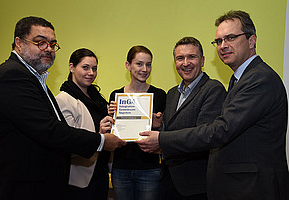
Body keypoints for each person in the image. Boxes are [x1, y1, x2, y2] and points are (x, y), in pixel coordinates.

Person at [136, 10, 289, 200]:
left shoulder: (259, 79)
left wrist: (162, 140)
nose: (223, 46)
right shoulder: (240, 79)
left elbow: (221, 130)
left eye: (231, 38)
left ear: (251, 41)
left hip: (253, 187)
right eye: (219, 41)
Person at [0, 16, 125, 200]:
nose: (49, 49)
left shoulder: (34, 78)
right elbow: (50, 130)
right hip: (21, 186)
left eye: (53, 44)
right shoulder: (12, 75)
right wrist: (101, 141)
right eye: (40, 42)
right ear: (18, 43)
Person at [156, 37, 226, 200]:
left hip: (195, 185)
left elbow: (204, 136)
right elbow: (173, 129)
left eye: (192, 57)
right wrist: (160, 126)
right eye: (180, 58)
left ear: (202, 61)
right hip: (168, 180)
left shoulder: (213, 89)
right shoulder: (172, 93)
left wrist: (160, 139)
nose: (185, 63)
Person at [108, 45, 166, 200]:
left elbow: (165, 135)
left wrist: (159, 125)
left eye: (148, 64)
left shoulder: (159, 95)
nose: (145, 69)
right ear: (128, 65)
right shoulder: (116, 95)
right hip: (121, 168)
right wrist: (111, 119)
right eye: (139, 64)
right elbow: (111, 133)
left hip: (149, 168)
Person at [56, 48, 111, 200]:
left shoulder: (98, 99)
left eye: (94, 68)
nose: (91, 73)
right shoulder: (63, 100)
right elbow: (68, 143)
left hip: (101, 171)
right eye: (85, 67)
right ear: (72, 67)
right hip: (78, 178)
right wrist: (99, 135)